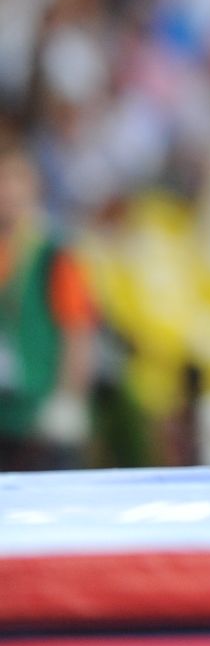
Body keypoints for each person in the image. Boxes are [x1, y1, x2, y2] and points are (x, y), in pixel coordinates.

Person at [0, 125, 97, 471]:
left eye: (14, 180)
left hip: (38, 424)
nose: (6, 192)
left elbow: (78, 333)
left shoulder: (53, 256)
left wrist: (67, 401)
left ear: (33, 186)